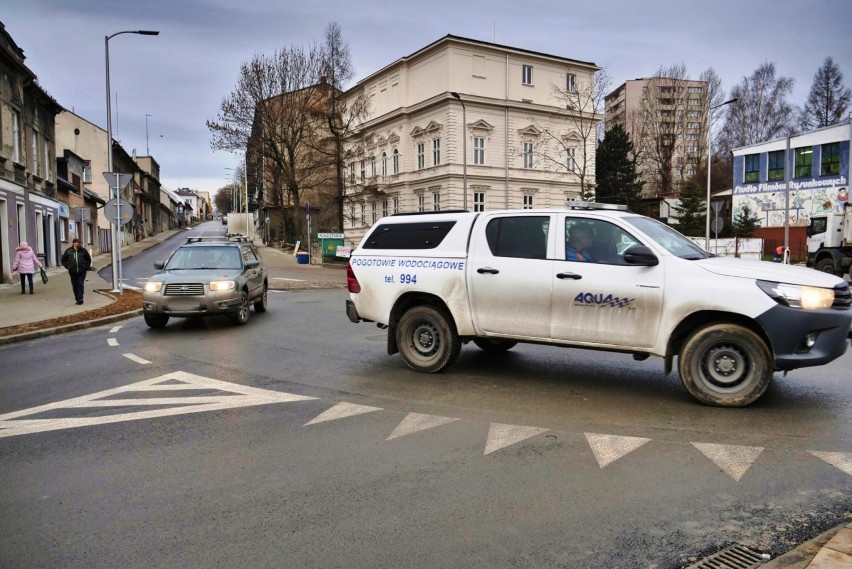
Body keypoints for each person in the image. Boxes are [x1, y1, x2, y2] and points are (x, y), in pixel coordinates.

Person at [61, 238, 92, 305]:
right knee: (75, 285)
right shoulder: (68, 251)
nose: (76, 244)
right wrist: (67, 266)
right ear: (73, 243)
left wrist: (86, 267)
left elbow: (88, 259)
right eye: (75, 243)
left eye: (77, 243)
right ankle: (77, 298)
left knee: (80, 284)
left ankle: (80, 299)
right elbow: (63, 260)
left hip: (82, 271)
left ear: (79, 243)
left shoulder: (83, 251)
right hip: (72, 271)